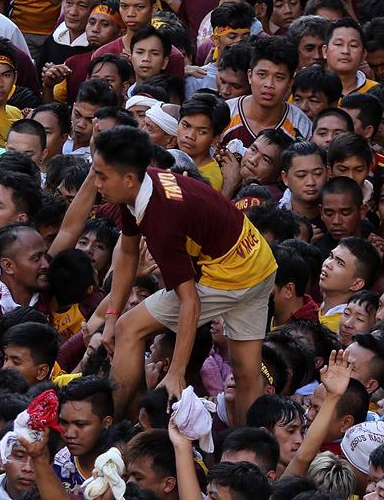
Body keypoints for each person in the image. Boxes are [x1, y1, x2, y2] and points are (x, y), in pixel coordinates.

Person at [98, 125, 276, 425]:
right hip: (260, 261)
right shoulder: (142, 183)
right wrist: (111, 314)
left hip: (227, 275)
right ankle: (247, 451)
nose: (97, 183)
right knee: (246, 372)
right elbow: (128, 253)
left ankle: (109, 424)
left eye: (102, 176)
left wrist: (175, 372)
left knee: (130, 329)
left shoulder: (161, 218)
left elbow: (189, 302)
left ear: (128, 178)